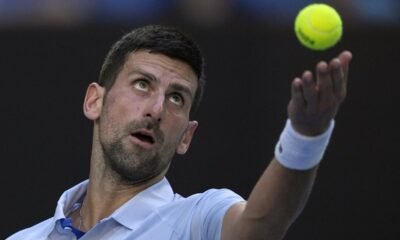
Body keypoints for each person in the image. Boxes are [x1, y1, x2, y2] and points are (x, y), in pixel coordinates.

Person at [7, 25, 352, 240]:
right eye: (142, 84)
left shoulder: (196, 221)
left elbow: (260, 225)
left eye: (176, 97)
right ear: (95, 101)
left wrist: (306, 134)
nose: (156, 110)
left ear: (187, 136)